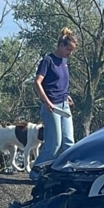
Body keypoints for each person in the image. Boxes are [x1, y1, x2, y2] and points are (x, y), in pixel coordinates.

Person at [32, 28, 77, 179]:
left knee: (68, 142)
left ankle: (64, 173)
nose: (70, 53)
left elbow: (61, 82)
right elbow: (37, 82)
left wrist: (68, 96)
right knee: (54, 144)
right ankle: (36, 173)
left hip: (64, 104)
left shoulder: (64, 61)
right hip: (51, 106)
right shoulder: (48, 60)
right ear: (61, 46)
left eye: (72, 50)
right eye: (68, 49)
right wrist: (46, 101)